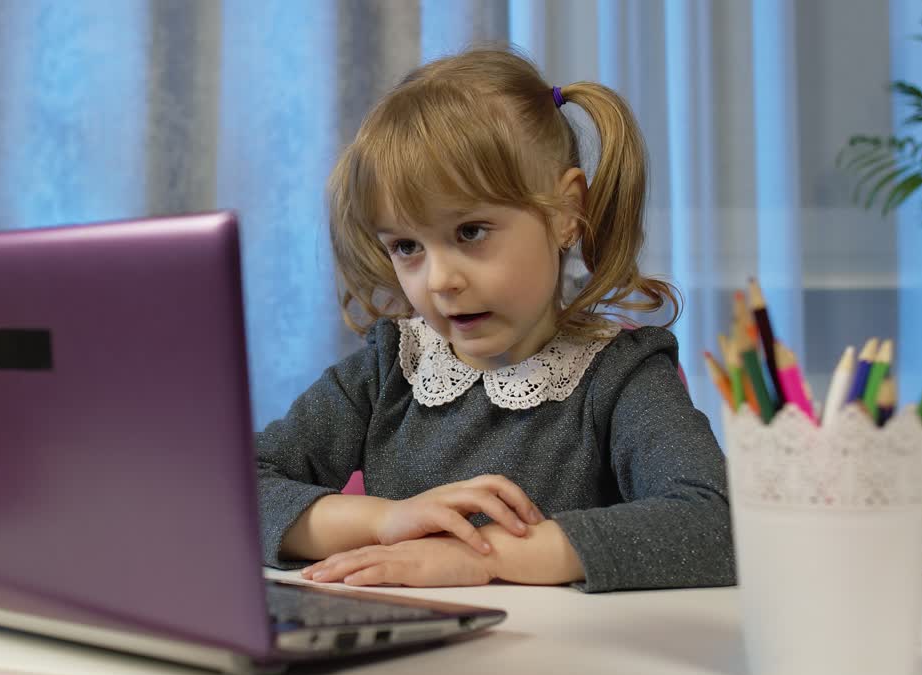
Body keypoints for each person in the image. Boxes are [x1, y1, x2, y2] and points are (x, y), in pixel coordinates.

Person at [255, 46, 734, 592]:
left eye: (470, 232)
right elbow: (229, 489)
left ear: (565, 214)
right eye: (408, 245)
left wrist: (485, 558)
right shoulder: (389, 368)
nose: (439, 281)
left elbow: (716, 520)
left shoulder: (621, 376)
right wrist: (384, 521)